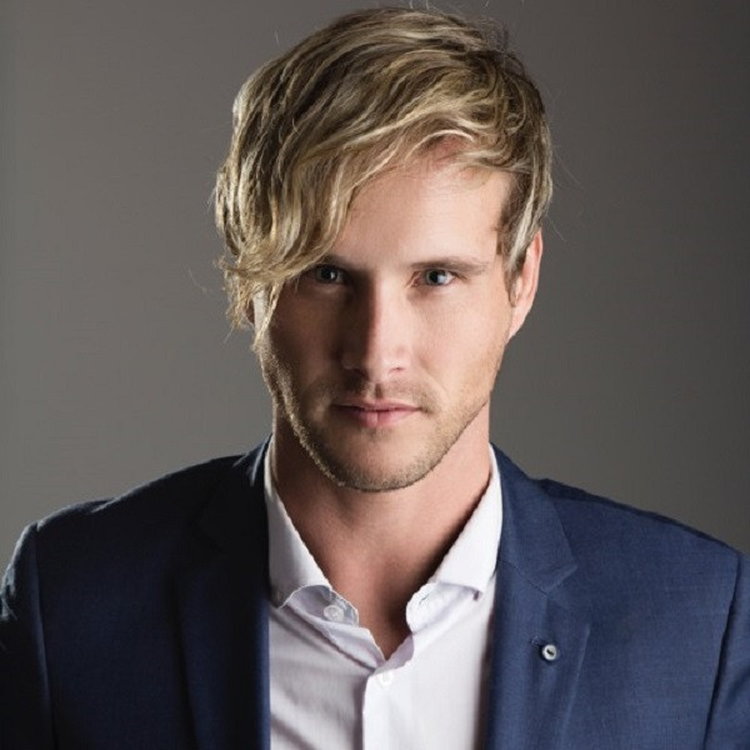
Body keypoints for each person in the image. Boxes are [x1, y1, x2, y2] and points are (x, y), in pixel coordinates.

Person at [1, 7, 748, 749]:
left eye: (437, 276)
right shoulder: (70, 606)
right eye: (325, 274)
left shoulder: (698, 624)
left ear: (521, 280)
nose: (376, 352)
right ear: (251, 279)